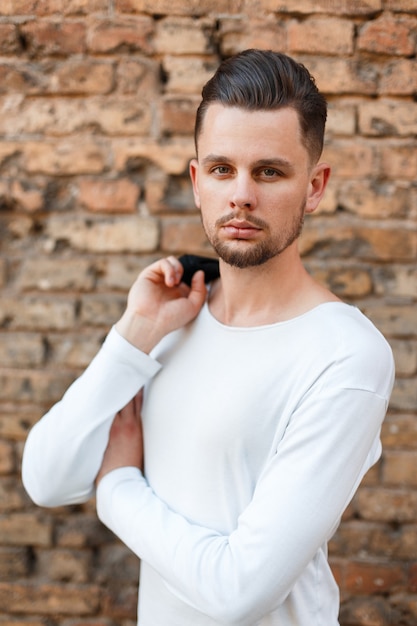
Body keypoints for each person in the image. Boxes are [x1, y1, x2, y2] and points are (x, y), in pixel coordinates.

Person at [22, 49, 395, 626]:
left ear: (315, 186)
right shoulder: (172, 317)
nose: (241, 194)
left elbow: (238, 591)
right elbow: (48, 478)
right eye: (222, 169)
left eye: (269, 171)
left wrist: (119, 486)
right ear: (197, 182)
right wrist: (134, 336)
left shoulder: (345, 354)